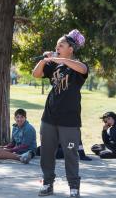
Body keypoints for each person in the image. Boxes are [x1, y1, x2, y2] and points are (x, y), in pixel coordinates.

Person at [32, 29, 88, 198]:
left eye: (61, 45)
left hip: (69, 120)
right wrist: (44, 60)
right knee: (47, 153)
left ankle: (74, 187)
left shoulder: (77, 66)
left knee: (71, 154)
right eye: (57, 45)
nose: (57, 47)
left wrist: (58, 58)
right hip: (49, 117)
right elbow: (36, 74)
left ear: (71, 48)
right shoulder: (53, 65)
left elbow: (84, 69)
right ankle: (48, 183)